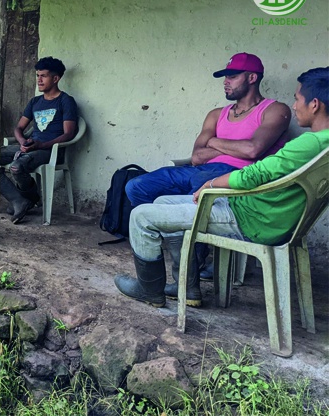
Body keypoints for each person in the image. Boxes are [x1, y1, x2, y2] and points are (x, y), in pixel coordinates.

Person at [113, 67, 329, 309]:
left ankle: (148, 290)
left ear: (315, 105)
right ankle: (187, 285)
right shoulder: (324, 145)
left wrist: (212, 184)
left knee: (140, 216)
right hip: (266, 214)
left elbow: (256, 173)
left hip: (251, 219)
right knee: (162, 203)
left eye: (297, 98)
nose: (294, 104)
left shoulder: (310, 141)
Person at [125, 52, 291, 284]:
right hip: (199, 170)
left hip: (236, 177)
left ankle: (188, 271)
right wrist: (233, 147)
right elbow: (196, 156)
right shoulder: (217, 114)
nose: (226, 81)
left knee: (195, 188)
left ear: (252, 78)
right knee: (137, 186)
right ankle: (183, 255)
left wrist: (214, 142)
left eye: (232, 76)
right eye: (225, 77)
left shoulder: (274, 110)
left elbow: (253, 150)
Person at [0, 57, 79, 224]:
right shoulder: (35, 102)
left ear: (55, 78)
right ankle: (19, 200)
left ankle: (27, 199)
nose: (39, 80)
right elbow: (18, 128)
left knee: (16, 167)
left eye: (43, 76)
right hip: (30, 146)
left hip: (50, 151)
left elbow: (69, 134)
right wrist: (22, 142)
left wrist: (42, 144)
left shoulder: (66, 101)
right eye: (37, 75)